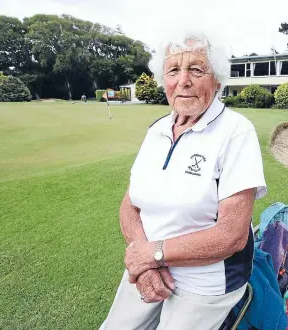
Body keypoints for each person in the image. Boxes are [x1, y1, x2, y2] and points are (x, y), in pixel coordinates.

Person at [99, 30, 267, 330]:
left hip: (207, 281)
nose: (183, 80)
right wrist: (144, 259)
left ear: (216, 80)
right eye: (173, 70)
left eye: (196, 69)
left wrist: (152, 253)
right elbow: (130, 205)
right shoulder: (157, 131)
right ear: (164, 80)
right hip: (149, 263)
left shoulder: (236, 132)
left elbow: (231, 236)